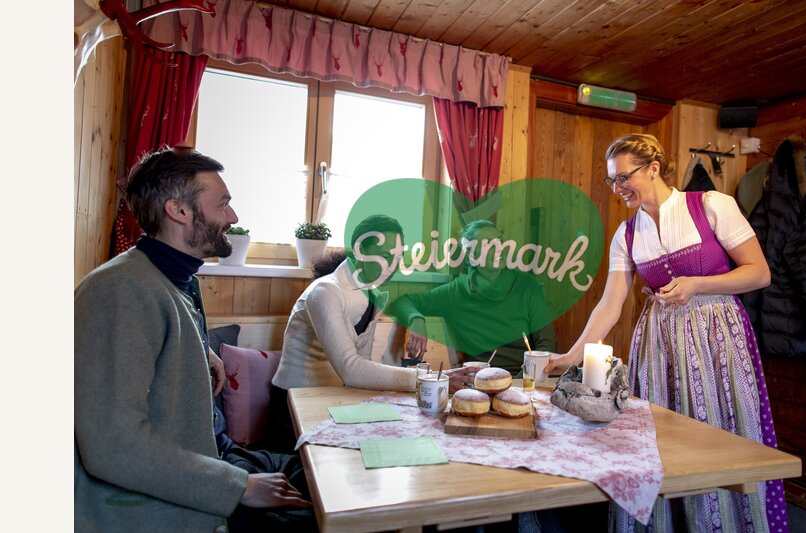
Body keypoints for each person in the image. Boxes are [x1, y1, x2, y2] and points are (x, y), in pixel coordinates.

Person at [546, 134, 788, 532]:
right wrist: (571, 356)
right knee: (659, 441)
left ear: (654, 168)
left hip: (715, 337)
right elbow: (610, 303)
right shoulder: (626, 235)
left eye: (624, 177)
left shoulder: (711, 205)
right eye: (612, 181)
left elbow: (759, 273)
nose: (618, 188)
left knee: (717, 435)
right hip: (660, 345)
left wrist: (697, 284)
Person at [74, 147, 313, 532]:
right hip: (160, 504)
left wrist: (203, 353)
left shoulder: (177, 281)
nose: (233, 218)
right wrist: (239, 486)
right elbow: (113, 448)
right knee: (324, 518)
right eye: (223, 205)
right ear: (179, 211)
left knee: (320, 471)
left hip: (217, 457)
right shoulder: (118, 292)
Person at [267, 215, 474, 452]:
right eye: (384, 256)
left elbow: (362, 369)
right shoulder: (325, 292)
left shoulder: (372, 294)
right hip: (295, 407)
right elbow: (352, 369)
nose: (392, 265)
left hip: (334, 401)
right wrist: (431, 379)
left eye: (397, 257)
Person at [390, 219, 557, 377]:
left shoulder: (527, 287)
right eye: (489, 244)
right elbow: (404, 302)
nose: (499, 248)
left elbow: (547, 346)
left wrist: (522, 381)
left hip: (525, 379)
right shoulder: (456, 292)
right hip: (480, 381)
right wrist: (416, 320)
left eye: (499, 241)